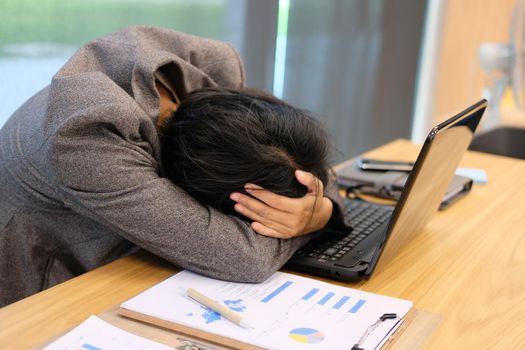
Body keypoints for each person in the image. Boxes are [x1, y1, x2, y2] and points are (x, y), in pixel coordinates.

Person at [0, 26, 346, 307]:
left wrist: (321, 209)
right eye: (262, 213)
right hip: (42, 290)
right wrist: (311, 222)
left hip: (116, 244)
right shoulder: (87, 138)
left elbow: (309, 167)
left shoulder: (211, 68)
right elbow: (244, 259)